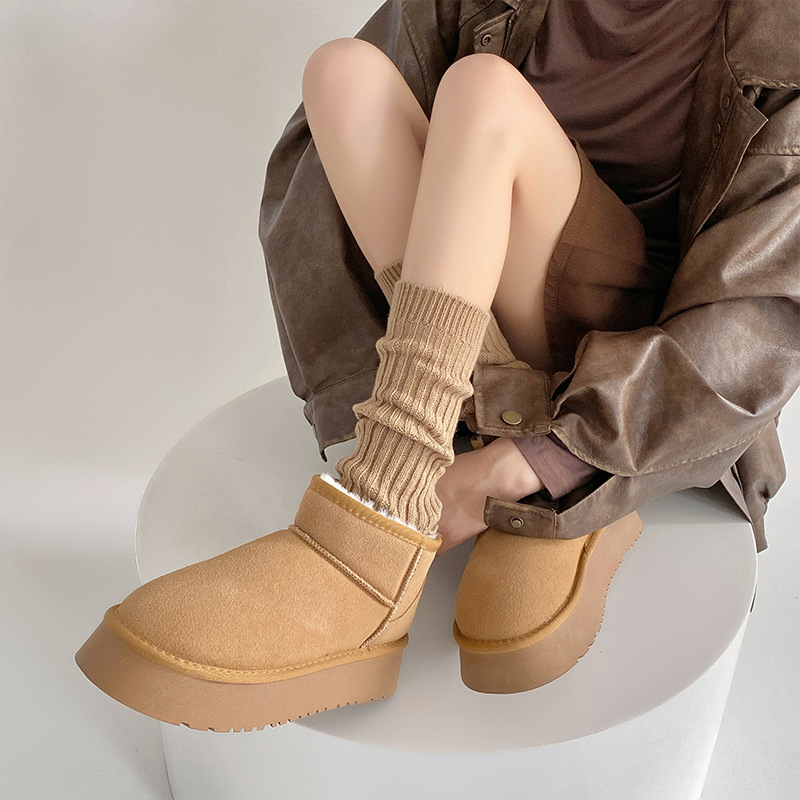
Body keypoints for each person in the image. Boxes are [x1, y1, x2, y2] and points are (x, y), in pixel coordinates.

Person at [75, 0, 800, 730]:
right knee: (343, 74)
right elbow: (323, 184)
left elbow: (759, 325)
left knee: (484, 92)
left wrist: (541, 461)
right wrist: (363, 407)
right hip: (493, 318)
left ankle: (383, 522)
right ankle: (418, 453)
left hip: (642, 355)